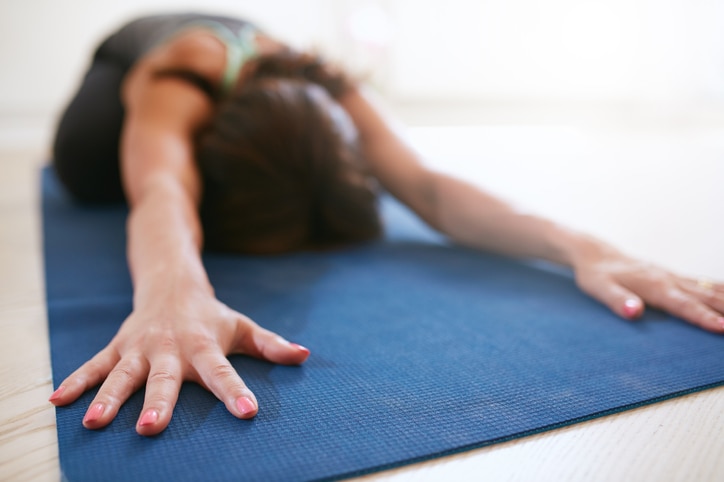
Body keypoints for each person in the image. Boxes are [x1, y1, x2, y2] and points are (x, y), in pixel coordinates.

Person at [48, 12, 724, 437]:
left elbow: (427, 187)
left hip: (267, 105)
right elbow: (163, 187)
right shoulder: (181, 79)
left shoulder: (330, 87)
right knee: (90, 178)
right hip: (123, 75)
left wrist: (585, 247)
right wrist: (173, 295)